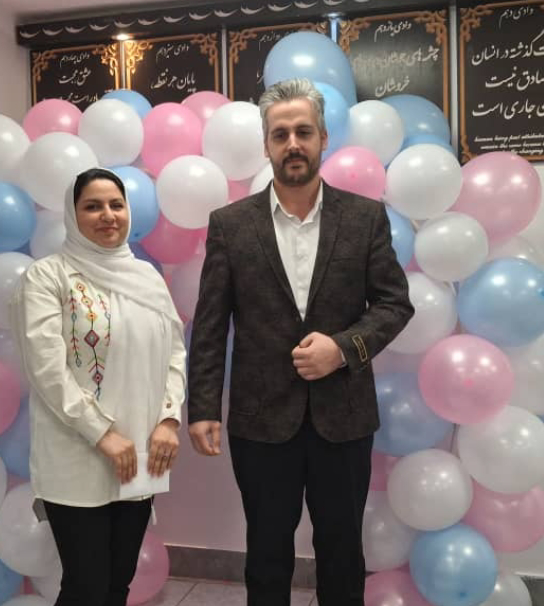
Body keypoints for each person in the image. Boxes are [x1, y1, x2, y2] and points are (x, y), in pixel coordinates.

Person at [186, 78, 414, 606]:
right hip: (261, 422)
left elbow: (394, 304)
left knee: (342, 551)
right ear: (266, 145)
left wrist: (343, 349)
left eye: (304, 132)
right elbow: (211, 323)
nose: (293, 143)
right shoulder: (230, 226)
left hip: (344, 420)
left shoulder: (364, 218)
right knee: (267, 553)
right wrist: (203, 407)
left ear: (323, 138)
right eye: (280, 134)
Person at [9, 168, 186, 606]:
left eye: (116, 205)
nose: (107, 215)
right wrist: (102, 432)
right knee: (85, 586)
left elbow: (174, 352)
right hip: (77, 455)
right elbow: (47, 370)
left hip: (141, 453)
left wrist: (168, 418)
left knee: (117, 584)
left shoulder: (147, 278)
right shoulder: (48, 277)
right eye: (92, 206)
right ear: (73, 215)